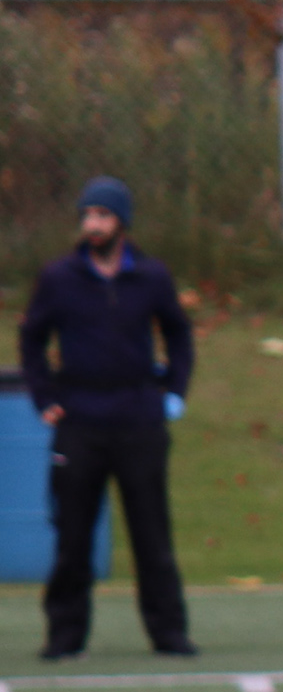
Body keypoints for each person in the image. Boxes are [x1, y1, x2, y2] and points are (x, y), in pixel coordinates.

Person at [18, 176, 194, 661]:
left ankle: (168, 633)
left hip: (139, 420)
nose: (92, 225)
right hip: (81, 421)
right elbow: (32, 339)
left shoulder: (151, 277)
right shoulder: (59, 279)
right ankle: (64, 635)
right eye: (87, 215)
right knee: (72, 534)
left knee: (152, 533)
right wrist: (45, 397)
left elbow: (178, 333)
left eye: (102, 216)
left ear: (122, 222)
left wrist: (174, 391)